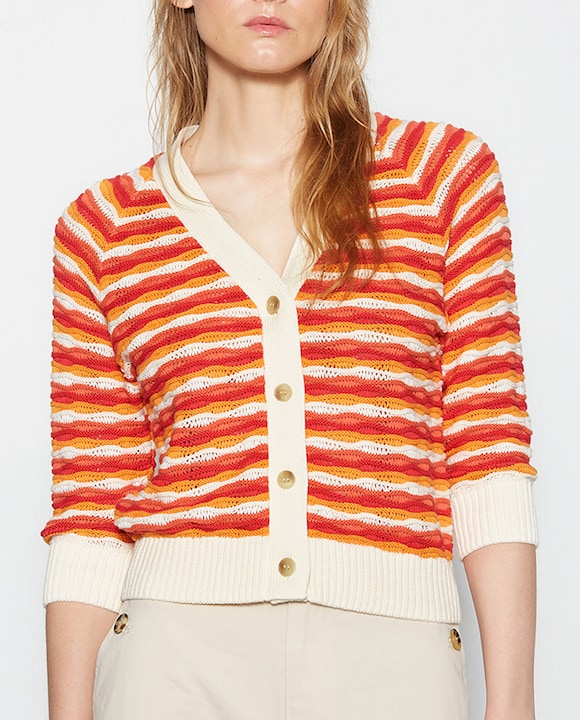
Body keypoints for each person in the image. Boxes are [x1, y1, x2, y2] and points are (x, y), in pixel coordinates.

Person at [42, 1, 538, 719]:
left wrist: (513, 703)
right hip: (172, 664)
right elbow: (91, 514)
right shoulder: (103, 230)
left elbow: (487, 451)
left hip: (394, 662)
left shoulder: (441, 179)